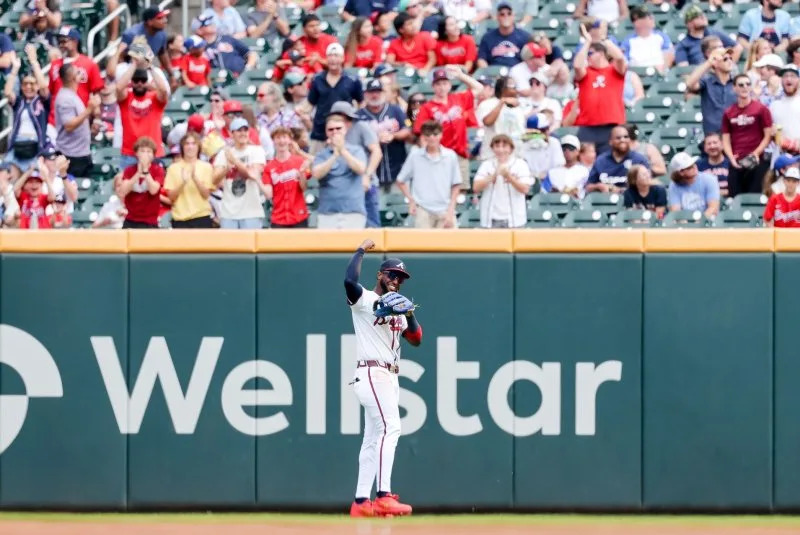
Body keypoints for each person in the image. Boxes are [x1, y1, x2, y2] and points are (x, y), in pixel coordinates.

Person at [345, 239, 421, 519]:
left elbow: (416, 340)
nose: (396, 280)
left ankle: (361, 501)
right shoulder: (364, 299)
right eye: (392, 275)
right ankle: (383, 495)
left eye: (401, 278)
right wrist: (360, 250)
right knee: (392, 428)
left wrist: (410, 314)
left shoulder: (399, 309)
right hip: (372, 372)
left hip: (388, 376)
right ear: (380, 275)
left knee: (373, 437)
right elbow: (348, 281)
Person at [413, 66, 483, 189]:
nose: (442, 87)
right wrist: (429, 157)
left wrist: (461, 76)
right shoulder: (427, 107)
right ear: (433, 86)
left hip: (459, 154)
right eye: (438, 84)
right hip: (439, 155)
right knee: (441, 190)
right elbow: (421, 135)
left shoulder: (458, 98)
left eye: (445, 83)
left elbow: (479, 88)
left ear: (450, 85)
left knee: (461, 191)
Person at [327, 101, 383, 228]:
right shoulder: (333, 132)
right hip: (345, 187)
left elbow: (377, 152)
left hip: (366, 184)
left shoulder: (361, 126)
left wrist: (367, 176)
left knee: (371, 227)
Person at [573, 24, 627, 154]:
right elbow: (576, 65)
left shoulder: (614, 71)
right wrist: (587, 42)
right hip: (588, 127)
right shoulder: (586, 72)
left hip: (612, 126)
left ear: (601, 53)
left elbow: (619, 57)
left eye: (591, 53)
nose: (588, 56)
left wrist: (604, 40)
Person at [396, 120, 461, 228]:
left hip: (445, 209)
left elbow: (456, 184)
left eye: (435, 134)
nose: (431, 138)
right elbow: (400, 180)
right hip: (423, 210)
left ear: (441, 135)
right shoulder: (415, 156)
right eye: (428, 134)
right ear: (423, 136)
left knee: (450, 244)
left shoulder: (450, 156)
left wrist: (451, 209)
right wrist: (411, 201)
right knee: (423, 245)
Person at [721, 73, 774, 197]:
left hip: (757, 160)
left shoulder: (761, 109)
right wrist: (731, 158)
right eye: (741, 84)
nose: (745, 87)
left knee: (755, 197)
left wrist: (756, 153)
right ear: (734, 88)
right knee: (735, 197)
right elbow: (725, 139)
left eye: (747, 84)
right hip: (737, 161)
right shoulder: (728, 112)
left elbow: (768, 136)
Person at [3, 45, 50, 182]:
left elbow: (44, 89)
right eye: (25, 84)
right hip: (17, 147)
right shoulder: (19, 102)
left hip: (35, 148)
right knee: (8, 183)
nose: (28, 87)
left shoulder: (42, 101)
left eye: (32, 84)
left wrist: (34, 62)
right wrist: (15, 69)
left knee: (33, 186)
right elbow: (7, 92)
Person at [312, 114, 368, 228]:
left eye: (338, 128)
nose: (335, 132)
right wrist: (334, 156)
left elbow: (361, 169)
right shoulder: (321, 154)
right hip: (327, 213)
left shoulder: (356, 150)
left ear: (345, 130)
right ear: (326, 132)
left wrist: (342, 151)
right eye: (331, 129)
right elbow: (317, 174)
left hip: (353, 211)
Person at [308, 43, 364, 154]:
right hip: (320, 132)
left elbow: (361, 103)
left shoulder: (352, 80)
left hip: (343, 132)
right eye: (330, 55)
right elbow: (310, 104)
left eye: (337, 55)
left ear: (342, 58)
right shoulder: (317, 79)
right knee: (316, 163)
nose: (333, 59)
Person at [213, 117, 268, 228]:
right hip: (228, 212)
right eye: (239, 130)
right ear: (231, 133)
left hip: (251, 212)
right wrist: (226, 169)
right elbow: (214, 180)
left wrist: (235, 161)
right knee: (230, 245)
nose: (243, 133)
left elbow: (253, 175)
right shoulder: (224, 153)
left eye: (245, 130)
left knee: (252, 245)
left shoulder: (257, 151)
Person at [358, 79, 411, 191]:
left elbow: (407, 130)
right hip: (371, 172)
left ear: (383, 93)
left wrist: (393, 135)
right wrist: (374, 140)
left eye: (378, 92)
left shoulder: (395, 110)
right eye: (371, 92)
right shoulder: (359, 116)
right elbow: (355, 141)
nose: (375, 95)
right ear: (365, 94)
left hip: (397, 167)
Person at [473, 134, 533, 228]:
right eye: (497, 146)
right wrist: (493, 176)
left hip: (515, 219)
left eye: (504, 146)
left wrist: (509, 177)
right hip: (490, 218)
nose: (500, 150)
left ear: (511, 149)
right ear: (492, 148)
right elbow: (475, 188)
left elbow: (525, 189)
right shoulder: (487, 164)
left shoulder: (520, 164)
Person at [116, 63, 169, 170]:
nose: (140, 83)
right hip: (130, 153)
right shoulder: (126, 98)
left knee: (155, 185)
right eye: (136, 81)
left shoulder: (154, 98)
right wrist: (134, 65)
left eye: (143, 81)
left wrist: (151, 67)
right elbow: (118, 88)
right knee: (127, 185)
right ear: (131, 82)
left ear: (147, 82)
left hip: (153, 153)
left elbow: (164, 90)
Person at [48, 26, 104, 126]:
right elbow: (52, 92)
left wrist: (97, 118)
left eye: (64, 41)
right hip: (55, 121)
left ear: (75, 41)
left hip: (80, 119)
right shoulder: (54, 65)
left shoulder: (89, 64)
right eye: (59, 42)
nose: (61, 45)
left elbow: (96, 95)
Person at [54, 63, 99, 178]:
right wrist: (89, 109)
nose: (81, 73)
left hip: (81, 153)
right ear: (71, 78)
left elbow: (78, 120)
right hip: (71, 156)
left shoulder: (72, 95)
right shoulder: (65, 98)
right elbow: (69, 126)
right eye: (78, 72)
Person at [686, 38, 736, 135]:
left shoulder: (737, 83)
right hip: (713, 137)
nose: (729, 61)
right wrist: (709, 63)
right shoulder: (706, 82)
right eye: (725, 59)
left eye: (731, 58)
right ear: (715, 63)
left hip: (734, 135)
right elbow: (690, 83)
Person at [164, 131, 215, 228]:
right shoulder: (173, 168)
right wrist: (183, 182)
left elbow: (206, 195)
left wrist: (195, 178)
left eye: (193, 144)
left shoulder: (206, 167)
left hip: (201, 217)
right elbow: (171, 197)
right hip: (180, 219)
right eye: (187, 144)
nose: (190, 147)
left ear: (198, 147)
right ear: (182, 147)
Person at [262, 127, 310, 228]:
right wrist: (257, 179)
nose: (281, 141)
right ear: (273, 140)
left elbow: (304, 188)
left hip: (299, 216)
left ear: (290, 140)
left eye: (284, 137)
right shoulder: (269, 166)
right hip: (279, 218)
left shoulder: (299, 161)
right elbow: (268, 195)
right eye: (278, 138)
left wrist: (301, 173)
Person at [118, 136, 165, 229]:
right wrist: (138, 173)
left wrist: (146, 171)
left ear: (153, 155)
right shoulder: (129, 170)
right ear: (136, 153)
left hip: (150, 221)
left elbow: (153, 190)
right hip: (131, 220)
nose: (145, 154)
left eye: (148, 151)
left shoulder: (158, 170)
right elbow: (122, 191)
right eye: (142, 151)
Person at [585, 125, 649, 193]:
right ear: (610, 142)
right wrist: (598, 186)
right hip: (606, 201)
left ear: (629, 140)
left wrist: (619, 190)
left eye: (626, 137)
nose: (622, 140)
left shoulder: (639, 159)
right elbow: (588, 187)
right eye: (618, 138)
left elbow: (648, 185)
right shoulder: (601, 160)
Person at [475, 76, 526, 161]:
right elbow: (487, 122)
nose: (516, 90)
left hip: (515, 157)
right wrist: (502, 102)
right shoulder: (487, 104)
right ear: (503, 89)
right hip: (491, 157)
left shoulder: (519, 106)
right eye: (513, 87)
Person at [676, 5, 740, 66]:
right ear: (689, 24)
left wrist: (728, 67)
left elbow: (738, 48)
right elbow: (683, 71)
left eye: (703, 14)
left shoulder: (715, 33)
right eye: (697, 16)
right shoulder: (683, 45)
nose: (703, 17)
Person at [620, 5, 674, 73]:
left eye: (651, 16)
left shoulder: (661, 36)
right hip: (636, 75)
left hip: (659, 75)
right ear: (636, 21)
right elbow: (624, 62)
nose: (652, 19)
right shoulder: (628, 41)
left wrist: (661, 70)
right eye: (648, 17)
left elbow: (669, 55)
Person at [476, 2, 530, 69]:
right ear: (497, 17)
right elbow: (481, 59)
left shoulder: (525, 36)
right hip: (494, 73)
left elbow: (529, 60)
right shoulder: (487, 37)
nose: (506, 16)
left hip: (517, 73)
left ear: (513, 16)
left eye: (509, 13)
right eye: (502, 14)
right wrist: (487, 72)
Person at [668, 151, 720, 217]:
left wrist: (699, 222)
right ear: (681, 172)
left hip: (707, 222)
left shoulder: (709, 179)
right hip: (684, 224)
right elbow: (676, 212)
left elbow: (713, 208)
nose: (694, 167)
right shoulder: (674, 185)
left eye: (694, 164)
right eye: (690, 167)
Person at [120, 7, 171, 72]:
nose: (165, 20)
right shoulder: (131, 34)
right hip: (128, 70)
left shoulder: (161, 34)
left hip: (146, 69)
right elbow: (120, 59)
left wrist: (171, 75)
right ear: (150, 22)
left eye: (164, 17)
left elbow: (162, 53)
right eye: (160, 18)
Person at [770, 64, 800, 154]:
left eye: (793, 76)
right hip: (781, 156)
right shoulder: (774, 105)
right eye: (785, 76)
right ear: (781, 80)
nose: (789, 79)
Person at [697, 132, 731, 198]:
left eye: (715, 143)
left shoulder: (731, 164)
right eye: (709, 144)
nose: (712, 146)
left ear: (722, 145)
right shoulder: (698, 165)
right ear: (704, 148)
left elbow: (737, 190)